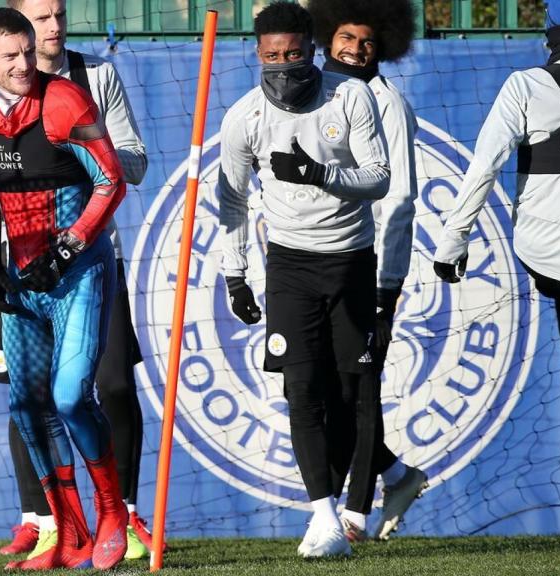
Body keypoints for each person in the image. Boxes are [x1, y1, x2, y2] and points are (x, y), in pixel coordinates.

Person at [432, 0, 560, 564]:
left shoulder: (525, 84)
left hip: (540, 255)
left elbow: (483, 166)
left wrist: (451, 242)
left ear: (551, 31)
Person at [216, 1, 389, 558]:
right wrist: (235, 276)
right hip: (290, 266)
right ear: (257, 55)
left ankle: (349, 504)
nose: (283, 66)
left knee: (352, 391)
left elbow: (379, 179)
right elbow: (232, 200)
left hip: (352, 260)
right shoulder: (244, 116)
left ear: (312, 50)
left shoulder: (350, 95)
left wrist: (320, 173)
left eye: (293, 54)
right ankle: (324, 517)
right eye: (272, 56)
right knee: (300, 389)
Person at [0, 0, 155, 562]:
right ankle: (65, 529)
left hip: (80, 265)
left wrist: (70, 245)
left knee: (82, 393)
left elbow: (117, 176)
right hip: (22, 273)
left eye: (28, 51)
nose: (24, 61)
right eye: (12, 52)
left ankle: (117, 512)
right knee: (24, 403)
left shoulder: (74, 91)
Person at [308, 0, 428, 542]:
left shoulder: (388, 103)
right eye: (345, 37)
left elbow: (400, 198)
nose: (354, 49)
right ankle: (397, 475)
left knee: (360, 384)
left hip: (367, 265)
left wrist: (389, 286)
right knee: (321, 388)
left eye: (367, 41)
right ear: (326, 36)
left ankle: (352, 513)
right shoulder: (308, 91)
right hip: (312, 261)